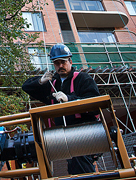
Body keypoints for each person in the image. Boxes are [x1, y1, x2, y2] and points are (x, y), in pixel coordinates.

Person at [22, 43, 100, 175]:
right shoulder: (53, 83)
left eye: (63, 62)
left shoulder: (83, 79)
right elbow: (26, 87)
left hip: (85, 131)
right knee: (74, 165)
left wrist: (69, 99)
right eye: (56, 63)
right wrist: (40, 81)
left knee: (80, 162)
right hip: (63, 135)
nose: (60, 66)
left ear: (70, 61)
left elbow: (94, 104)